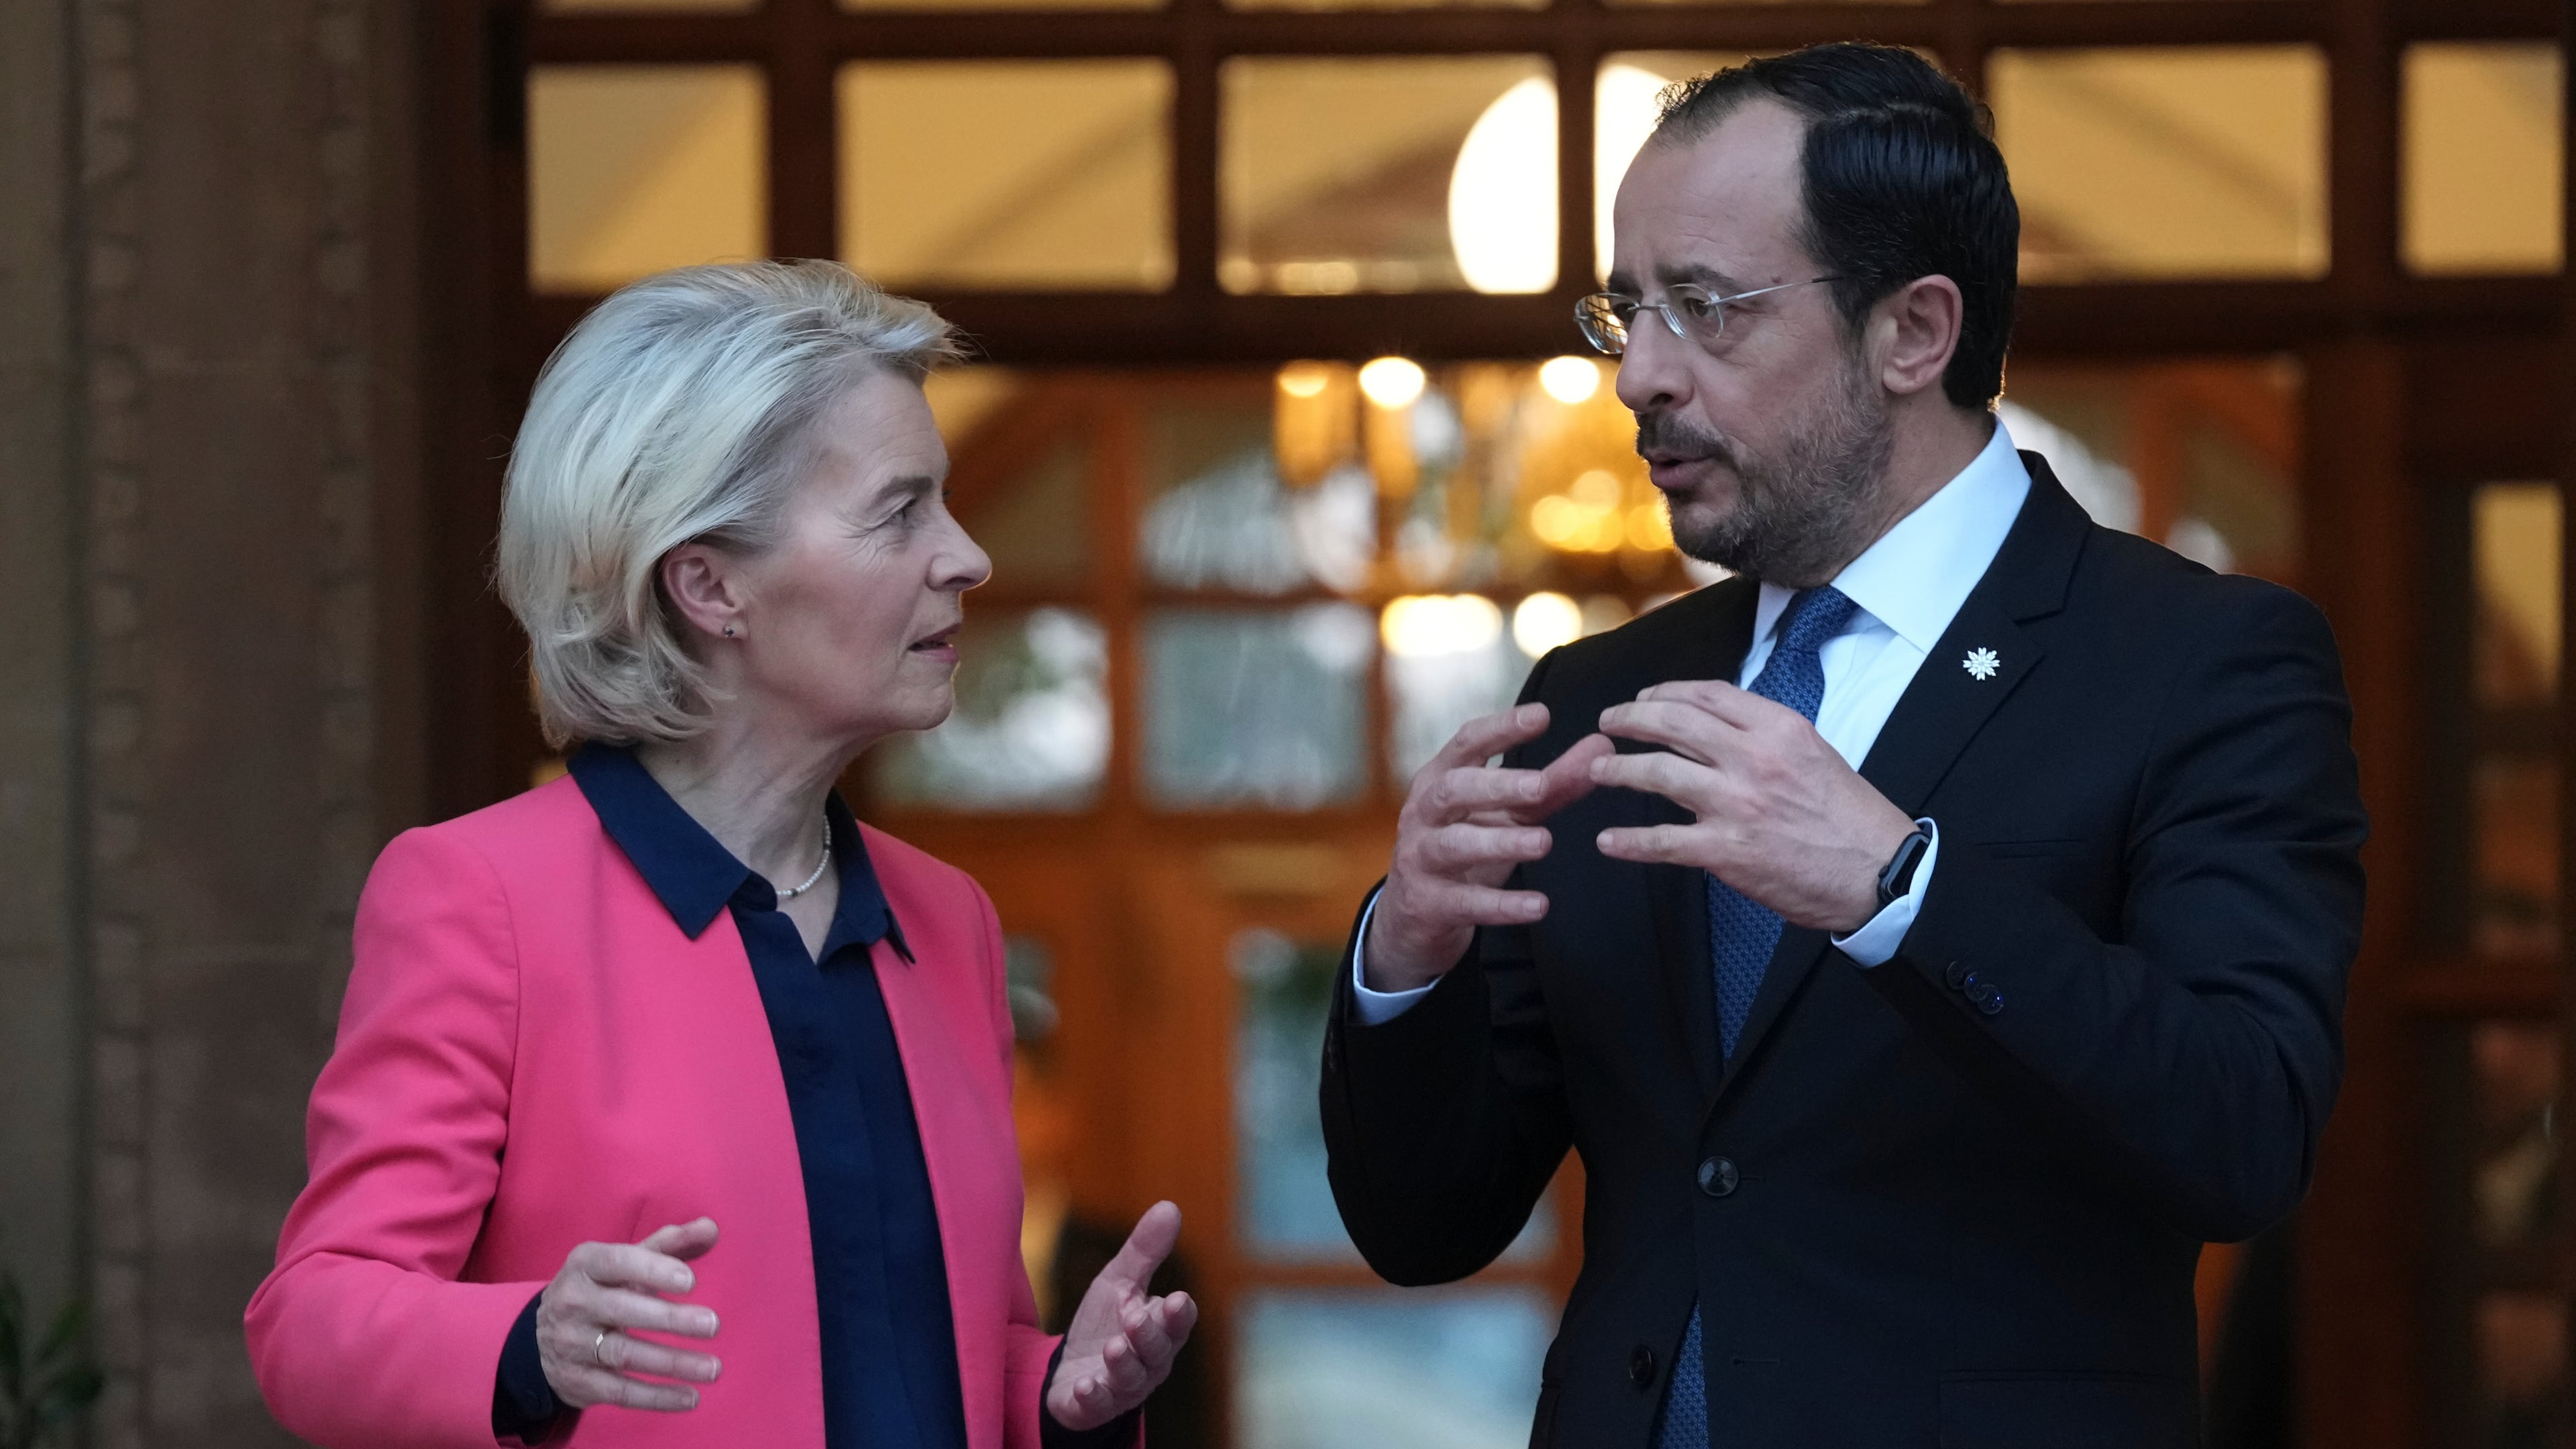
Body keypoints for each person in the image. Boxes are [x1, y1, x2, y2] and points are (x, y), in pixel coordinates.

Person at [1319, 43, 2366, 1448]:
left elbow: (2242, 1131)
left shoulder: (2200, 666)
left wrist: (1903, 890)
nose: (1636, 375)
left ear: (1914, 333)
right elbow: (1423, 1226)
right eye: (1629, 310)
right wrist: (1409, 959)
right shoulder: (1598, 699)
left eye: (1706, 310)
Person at [245, 260, 1195, 1448]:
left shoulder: (947, 920)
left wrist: (1058, 1391)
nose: (967, 555)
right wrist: (530, 1343)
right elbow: (311, 1320)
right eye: (901, 511)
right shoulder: (481, 900)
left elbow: (926, 1350)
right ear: (708, 583)